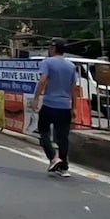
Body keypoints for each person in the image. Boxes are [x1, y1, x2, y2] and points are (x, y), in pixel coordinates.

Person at [31, 38, 78, 178]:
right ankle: (64, 167)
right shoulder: (71, 66)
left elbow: (43, 79)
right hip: (65, 106)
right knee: (63, 137)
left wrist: (36, 98)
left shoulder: (47, 62)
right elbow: (74, 89)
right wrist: (74, 108)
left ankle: (54, 158)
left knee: (44, 131)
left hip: (50, 104)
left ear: (53, 48)